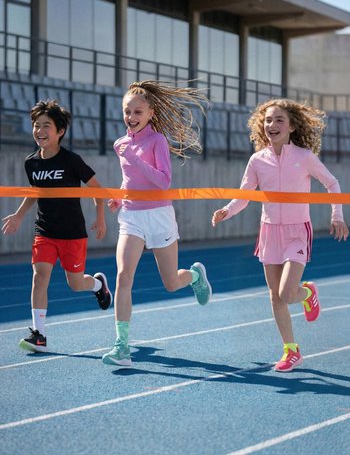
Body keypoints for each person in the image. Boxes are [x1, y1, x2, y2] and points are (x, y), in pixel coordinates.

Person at [212, 98, 348, 372]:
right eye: (268, 120)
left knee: (287, 293)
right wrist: (226, 210)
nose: (272, 125)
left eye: (279, 120)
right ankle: (291, 350)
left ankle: (307, 292)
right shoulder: (257, 160)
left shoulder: (304, 157)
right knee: (275, 296)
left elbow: (332, 183)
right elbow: (245, 195)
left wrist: (337, 216)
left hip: (298, 232)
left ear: (293, 126)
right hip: (269, 232)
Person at [102, 80, 212, 367]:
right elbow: (130, 180)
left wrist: (135, 160)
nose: (131, 117)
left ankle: (196, 276)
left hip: (159, 215)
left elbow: (163, 181)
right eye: (127, 111)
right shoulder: (120, 144)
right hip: (131, 216)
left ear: (150, 112)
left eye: (137, 112)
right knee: (123, 276)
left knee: (171, 283)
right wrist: (119, 197)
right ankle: (122, 346)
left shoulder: (157, 141)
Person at [2, 99, 113, 353]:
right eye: (36, 125)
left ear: (60, 131)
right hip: (45, 231)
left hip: (72, 233)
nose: (40, 131)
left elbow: (98, 189)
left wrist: (100, 216)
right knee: (39, 277)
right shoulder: (31, 162)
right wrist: (19, 215)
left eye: (46, 126)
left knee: (76, 284)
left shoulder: (72, 160)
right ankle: (39, 334)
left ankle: (97, 285)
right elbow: (35, 192)